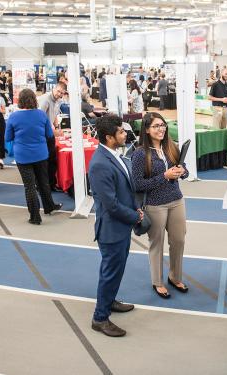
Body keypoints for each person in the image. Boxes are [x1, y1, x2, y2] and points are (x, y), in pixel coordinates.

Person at [89, 115, 143, 337]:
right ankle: (100, 318)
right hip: (112, 230)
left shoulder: (114, 154)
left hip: (121, 226)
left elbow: (125, 190)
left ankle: (109, 301)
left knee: (117, 269)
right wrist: (135, 216)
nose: (125, 135)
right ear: (109, 137)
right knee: (110, 273)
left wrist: (134, 209)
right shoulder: (100, 164)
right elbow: (111, 205)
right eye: (121, 132)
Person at [131, 112, 189, 299]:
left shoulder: (171, 146)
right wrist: (164, 176)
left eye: (163, 125)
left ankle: (175, 276)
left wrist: (183, 171)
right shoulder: (140, 154)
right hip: (155, 205)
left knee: (178, 241)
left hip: (176, 200)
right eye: (156, 126)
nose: (161, 129)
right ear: (147, 130)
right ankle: (158, 281)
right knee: (157, 244)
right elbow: (138, 184)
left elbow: (184, 169)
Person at [5, 89, 62, 225]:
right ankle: (49, 206)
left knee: (29, 186)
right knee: (43, 182)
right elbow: (49, 134)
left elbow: (8, 137)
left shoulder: (13, 117)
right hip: (41, 154)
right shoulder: (41, 115)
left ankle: (35, 216)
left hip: (23, 155)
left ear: (20, 100)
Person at [38, 82, 67, 190]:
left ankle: (51, 184)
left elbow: (54, 114)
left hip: (49, 133)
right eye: (58, 91)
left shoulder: (59, 101)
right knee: (43, 161)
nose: (59, 94)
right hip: (42, 134)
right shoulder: (45, 100)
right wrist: (52, 131)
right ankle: (42, 185)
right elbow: (39, 119)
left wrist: (56, 125)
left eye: (62, 93)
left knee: (52, 160)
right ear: (54, 88)